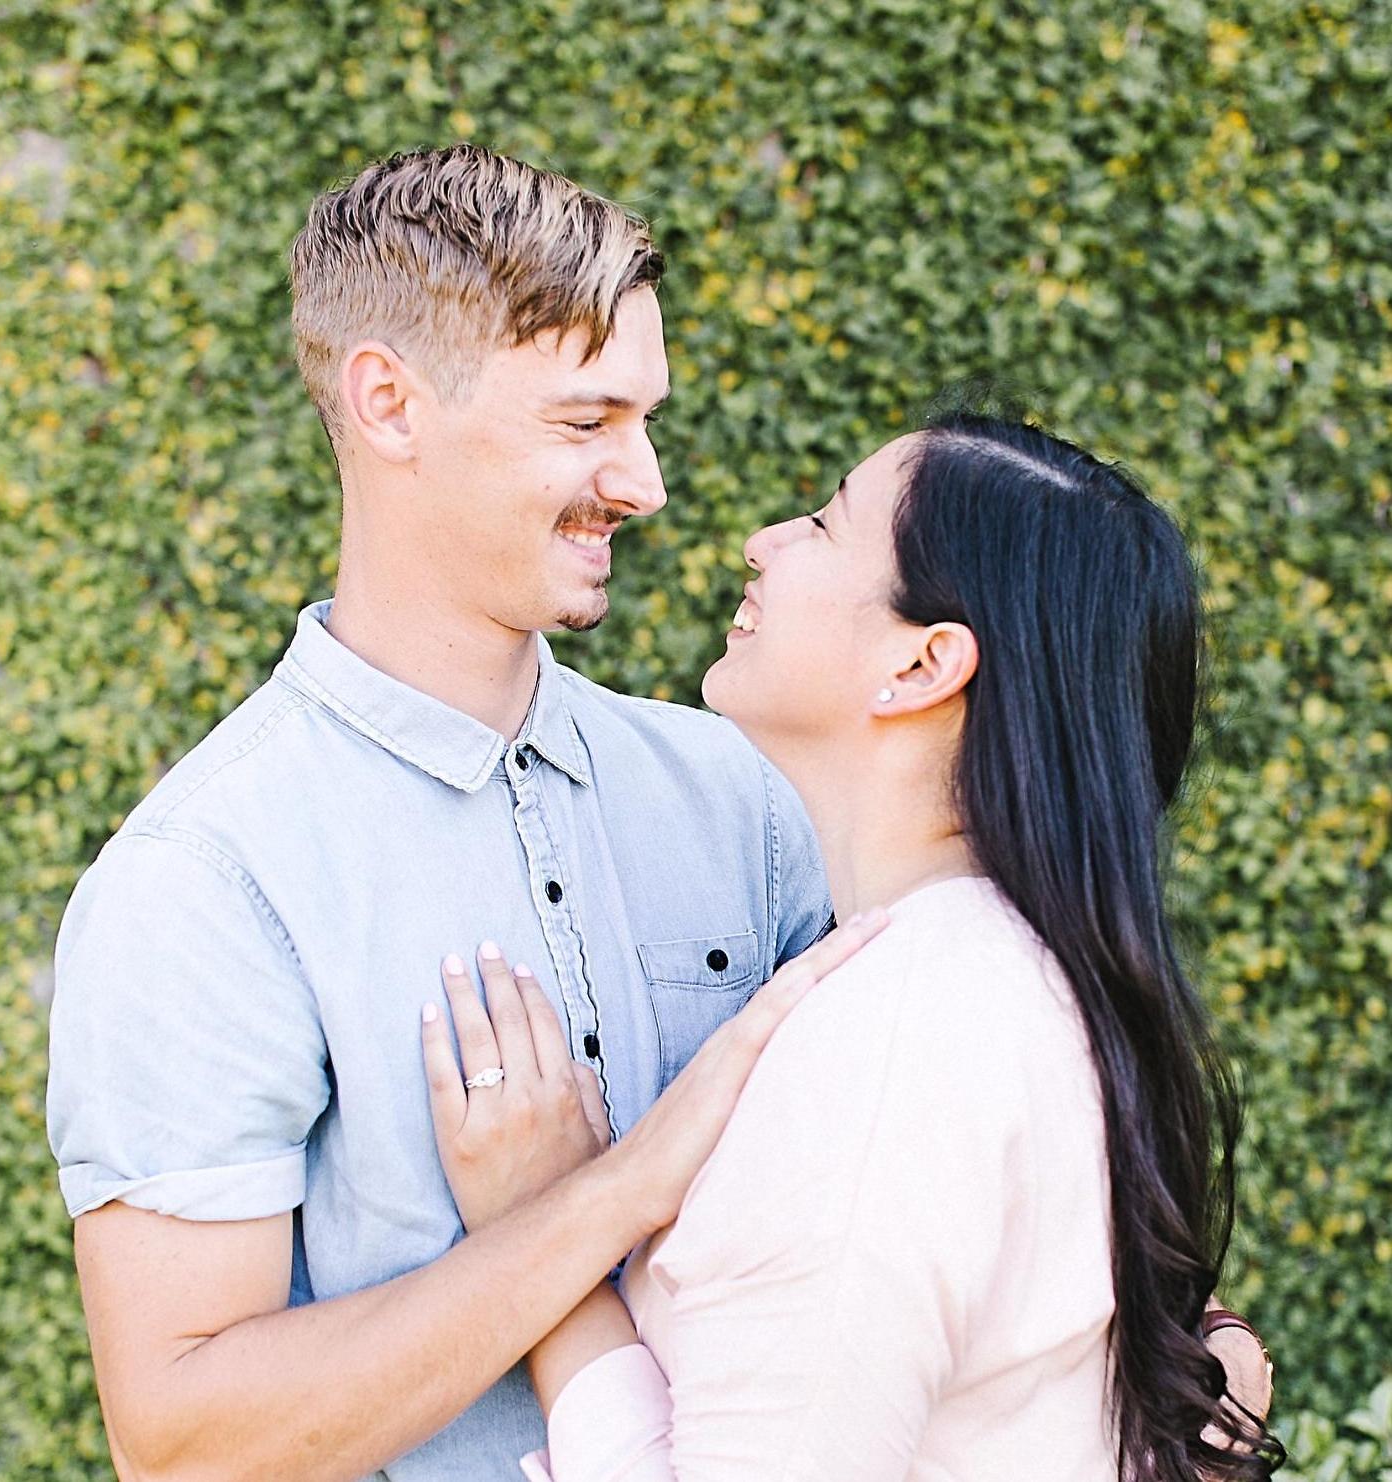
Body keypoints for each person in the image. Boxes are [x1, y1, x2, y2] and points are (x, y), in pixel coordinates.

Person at [44, 143, 843, 1480]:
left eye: (642, 419)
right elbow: (184, 1440)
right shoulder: (202, 881)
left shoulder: (741, 796)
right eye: (585, 424)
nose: (644, 482)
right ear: (389, 404)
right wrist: (604, 1196)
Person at [426, 412, 1281, 1480]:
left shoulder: (898, 1040)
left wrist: (540, 1236)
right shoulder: (1012, 981)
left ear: (923, 665)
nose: (765, 540)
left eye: (825, 525)